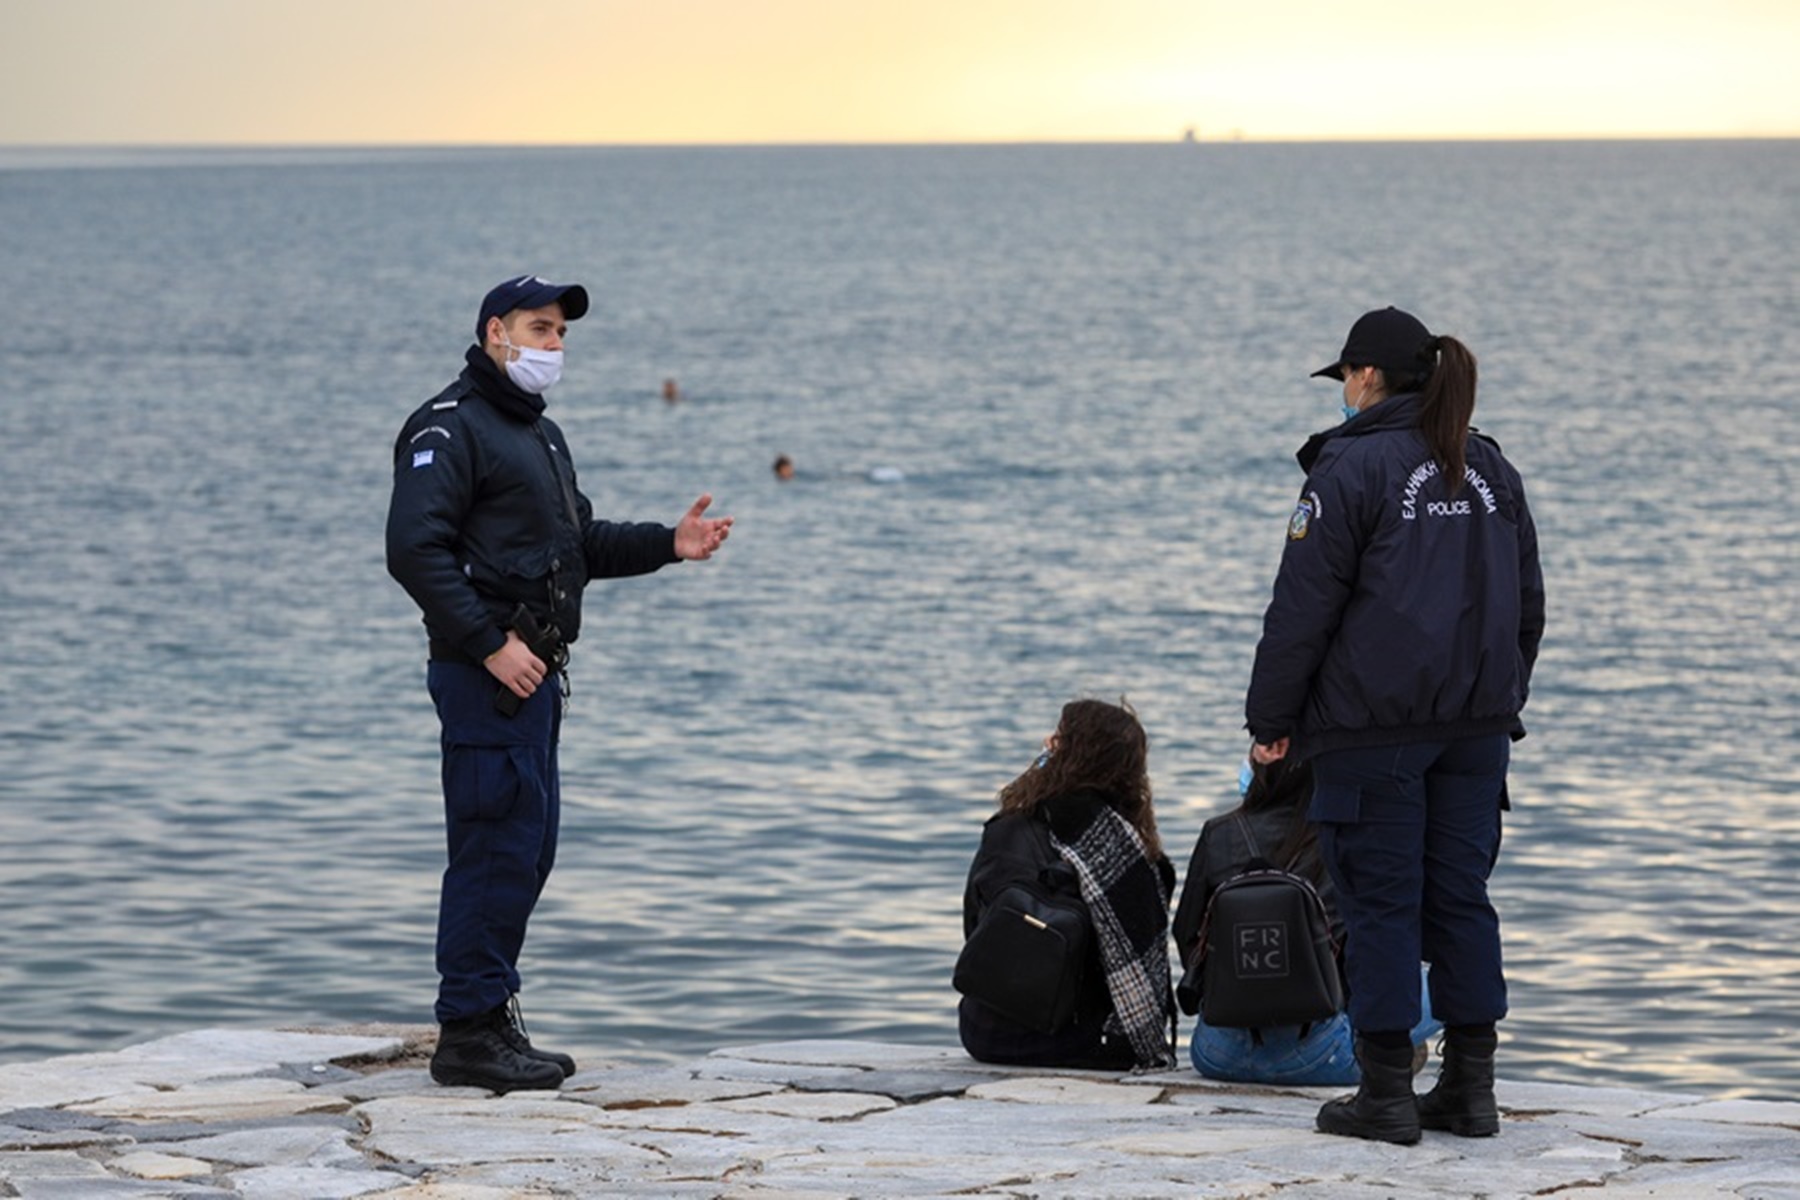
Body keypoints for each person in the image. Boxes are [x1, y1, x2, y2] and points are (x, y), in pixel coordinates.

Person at [386, 274, 733, 1093]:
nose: (553, 346)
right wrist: (486, 645)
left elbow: (578, 545)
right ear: (495, 331)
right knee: (493, 845)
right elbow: (413, 551)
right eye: (540, 329)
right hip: (486, 678)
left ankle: (491, 1014)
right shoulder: (449, 428)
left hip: (536, 677)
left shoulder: (537, 435)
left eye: (561, 335)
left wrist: (667, 544)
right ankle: (467, 1031)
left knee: (527, 849)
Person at [1245, 306, 1544, 1143]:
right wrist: (1497, 695)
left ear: (1368, 377)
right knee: (1460, 898)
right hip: (1478, 729)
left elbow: (1302, 609)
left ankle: (1385, 1095)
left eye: (1344, 375)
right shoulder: (1490, 467)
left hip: (1374, 732)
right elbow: (1528, 607)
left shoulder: (1351, 469)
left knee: (1379, 905)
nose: (1343, 390)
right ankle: (1470, 1091)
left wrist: (1271, 719)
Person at [1171, 754, 1439, 1086]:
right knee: (1444, 979)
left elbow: (1186, 932)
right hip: (1320, 1057)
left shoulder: (1218, 832)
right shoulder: (1345, 836)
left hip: (1216, 1053)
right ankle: (1408, 1058)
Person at [957, 699, 1177, 1071]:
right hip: (1093, 1044)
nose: (1047, 742)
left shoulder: (1007, 828)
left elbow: (976, 929)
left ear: (1070, 755)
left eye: (1058, 738)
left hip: (988, 1033)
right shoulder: (1138, 856)